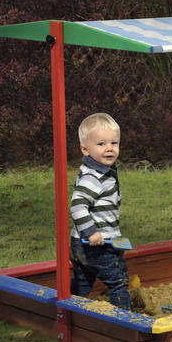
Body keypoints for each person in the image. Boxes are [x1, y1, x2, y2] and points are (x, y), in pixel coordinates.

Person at [69, 112, 132, 310]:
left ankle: (72, 311)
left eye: (114, 143)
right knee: (118, 280)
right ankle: (125, 322)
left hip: (81, 243)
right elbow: (78, 205)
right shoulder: (94, 177)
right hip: (95, 243)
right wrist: (92, 232)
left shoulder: (96, 170)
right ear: (85, 150)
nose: (109, 149)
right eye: (101, 144)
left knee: (83, 280)